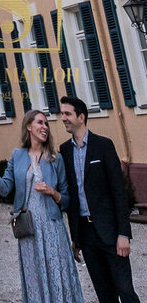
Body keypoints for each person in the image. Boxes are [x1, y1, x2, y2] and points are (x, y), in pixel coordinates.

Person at [0, 107, 81, 303]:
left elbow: (68, 199)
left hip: (52, 226)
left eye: (46, 124)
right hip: (28, 229)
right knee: (34, 274)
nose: (45, 127)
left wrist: (52, 192)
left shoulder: (55, 158)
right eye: (40, 123)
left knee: (58, 272)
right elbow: (4, 189)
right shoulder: (17, 155)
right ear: (29, 127)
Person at [58, 94, 140, 303]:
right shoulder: (64, 151)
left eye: (68, 113)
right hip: (86, 235)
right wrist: (75, 238)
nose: (63, 118)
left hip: (111, 231)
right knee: (104, 294)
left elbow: (118, 192)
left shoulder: (103, 145)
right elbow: (73, 198)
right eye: (63, 114)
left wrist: (123, 233)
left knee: (126, 291)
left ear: (81, 117)